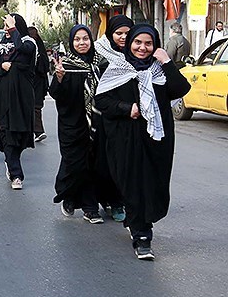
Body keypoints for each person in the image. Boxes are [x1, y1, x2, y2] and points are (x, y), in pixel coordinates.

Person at [94, 24, 190, 260]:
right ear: (130, 44)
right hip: (125, 138)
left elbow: (181, 88)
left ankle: (138, 222)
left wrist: (166, 61)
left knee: (153, 183)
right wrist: (127, 108)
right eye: (137, 42)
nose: (142, 48)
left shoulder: (160, 70)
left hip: (157, 138)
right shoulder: (118, 68)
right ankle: (142, 236)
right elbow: (102, 101)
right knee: (132, 183)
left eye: (148, 43)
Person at [51, 25, 105, 223]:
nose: (82, 43)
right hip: (72, 124)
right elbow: (55, 94)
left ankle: (90, 208)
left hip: (97, 123)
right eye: (77, 39)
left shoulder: (100, 63)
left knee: (91, 164)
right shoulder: (66, 65)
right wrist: (59, 78)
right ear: (71, 42)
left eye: (85, 39)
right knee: (72, 163)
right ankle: (68, 195)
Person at [92, 15, 134, 221]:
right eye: (118, 33)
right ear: (110, 34)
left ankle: (122, 201)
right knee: (107, 162)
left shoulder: (139, 54)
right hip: (106, 116)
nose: (123, 37)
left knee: (128, 164)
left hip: (132, 117)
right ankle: (112, 201)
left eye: (127, 33)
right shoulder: (100, 53)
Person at [0, 14, 36, 190]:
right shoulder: (2, 46)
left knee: (20, 135)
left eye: (9, 26)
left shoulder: (29, 43)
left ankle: (11, 162)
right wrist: (1, 67)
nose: (6, 29)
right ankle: (16, 174)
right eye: (5, 26)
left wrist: (13, 29)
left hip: (22, 97)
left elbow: (23, 49)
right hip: (4, 97)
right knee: (7, 133)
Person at [28, 26, 50, 142]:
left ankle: (38, 131)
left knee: (33, 107)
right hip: (40, 83)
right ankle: (37, 131)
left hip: (33, 83)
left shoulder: (31, 48)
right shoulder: (40, 48)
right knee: (36, 108)